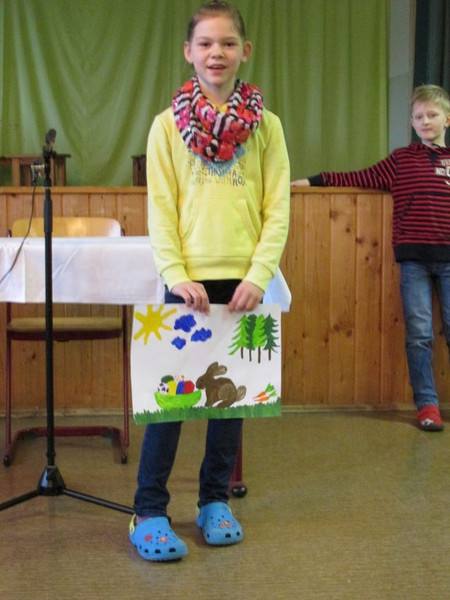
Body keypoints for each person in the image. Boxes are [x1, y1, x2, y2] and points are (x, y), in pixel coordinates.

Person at [130, 1, 290, 562]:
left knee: (230, 401)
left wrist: (259, 274)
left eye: (227, 43)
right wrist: (176, 274)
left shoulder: (267, 127)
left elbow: (277, 209)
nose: (216, 53)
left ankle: (214, 501)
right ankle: (148, 509)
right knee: (169, 405)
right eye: (205, 43)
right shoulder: (165, 126)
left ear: (245, 51)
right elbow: (160, 210)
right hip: (186, 288)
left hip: (244, 285)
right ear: (188, 52)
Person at [292, 84, 450, 433]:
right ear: (412, 122)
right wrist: (313, 181)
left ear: (447, 119)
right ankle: (427, 404)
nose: (426, 121)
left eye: (432, 115)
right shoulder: (401, 160)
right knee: (420, 334)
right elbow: (358, 176)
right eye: (419, 116)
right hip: (414, 261)